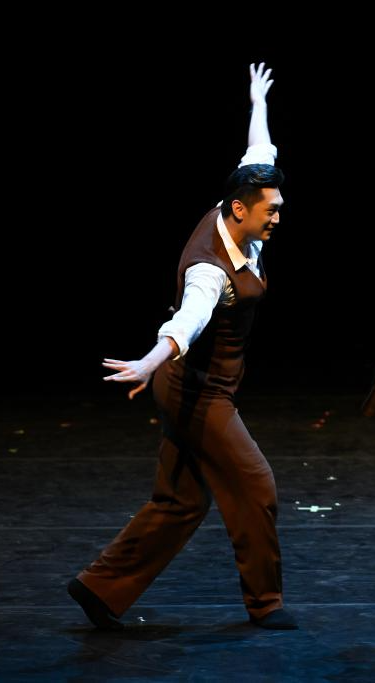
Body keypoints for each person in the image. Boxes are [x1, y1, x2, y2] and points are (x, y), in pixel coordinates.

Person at [67, 63, 297, 630]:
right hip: (197, 390)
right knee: (257, 485)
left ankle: (99, 588)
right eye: (271, 210)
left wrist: (258, 102)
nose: (278, 216)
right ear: (240, 209)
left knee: (181, 500)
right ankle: (265, 605)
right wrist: (148, 362)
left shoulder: (242, 203)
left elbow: (260, 147)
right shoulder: (210, 271)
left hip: (190, 385)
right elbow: (187, 323)